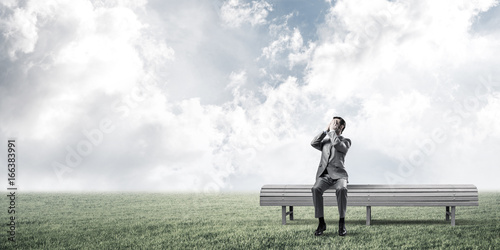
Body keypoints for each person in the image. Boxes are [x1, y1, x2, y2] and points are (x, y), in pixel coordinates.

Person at [310, 116, 351, 236]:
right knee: (315, 189)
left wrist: (332, 132)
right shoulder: (326, 141)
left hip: (339, 176)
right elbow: (313, 143)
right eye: (332, 122)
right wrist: (325, 131)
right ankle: (321, 222)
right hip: (324, 175)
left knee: (342, 189)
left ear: (341, 127)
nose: (333, 124)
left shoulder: (346, 141)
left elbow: (337, 145)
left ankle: (342, 222)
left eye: (336, 123)